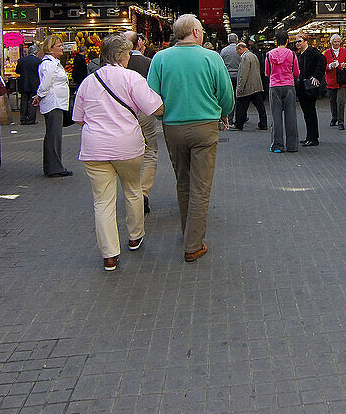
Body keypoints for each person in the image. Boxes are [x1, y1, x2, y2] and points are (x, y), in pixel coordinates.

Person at [146, 14, 234, 262]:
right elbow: (226, 94)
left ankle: (188, 231)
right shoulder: (211, 58)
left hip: (173, 128)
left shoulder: (160, 59)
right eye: (202, 29)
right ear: (195, 32)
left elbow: (151, 95)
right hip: (205, 127)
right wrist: (224, 114)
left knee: (183, 181)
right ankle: (193, 245)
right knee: (201, 185)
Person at [73, 34, 164, 272]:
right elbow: (154, 108)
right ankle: (135, 237)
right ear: (124, 56)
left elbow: (78, 118)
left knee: (102, 201)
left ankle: (110, 256)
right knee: (133, 189)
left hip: (94, 149)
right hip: (128, 147)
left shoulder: (88, 82)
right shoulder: (131, 77)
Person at [123, 30, 159, 215]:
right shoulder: (148, 63)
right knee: (150, 151)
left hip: (121, 115)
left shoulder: (111, 67)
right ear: (139, 44)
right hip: (144, 113)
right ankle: (143, 191)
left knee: (128, 153)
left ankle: (131, 192)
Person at [36, 35, 73, 178]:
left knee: (53, 135)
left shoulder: (54, 63)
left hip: (56, 103)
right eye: (59, 46)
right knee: (54, 136)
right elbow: (45, 83)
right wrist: (39, 96)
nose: (62, 48)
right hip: (54, 103)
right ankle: (54, 167)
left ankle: (52, 166)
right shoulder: (49, 64)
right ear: (51, 49)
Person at [264, 30, 299, 153]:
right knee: (291, 116)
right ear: (287, 41)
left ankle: (277, 145)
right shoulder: (292, 54)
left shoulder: (269, 55)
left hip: (274, 87)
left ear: (275, 41)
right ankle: (292, 146)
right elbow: (296, 72)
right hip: (289, 86)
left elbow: (267, 73)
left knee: (276, 116)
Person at [295, 33, 326, 147]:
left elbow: (322, 61)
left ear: (305, 41)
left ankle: (313, 138)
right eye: (296, 42)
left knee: (310, 112)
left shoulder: (313, 52)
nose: (297, 43)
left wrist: (317, 76)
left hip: (309, 87)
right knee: (307, 112)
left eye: (299, 41)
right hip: (303, 87)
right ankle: (310, 136)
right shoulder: (301, 54)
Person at [234, 42, 268, 131]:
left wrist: (240, 87)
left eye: (237, 51)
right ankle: (263, 123)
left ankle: (239, 124)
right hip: (257, 85)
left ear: (240, 48)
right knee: (260, 107)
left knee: (241, 105)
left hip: (248, 86)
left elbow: (244, 73)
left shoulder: (245, 57)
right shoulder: (253, 55)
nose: (237, 53)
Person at [324, 34, 346, 131]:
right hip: (331, 80)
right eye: (335, 42)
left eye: (338, 41)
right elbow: (324, 67)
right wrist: (330, 66)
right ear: (331, 42)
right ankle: (334, 117)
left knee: (340, 101)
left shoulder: (344, 51)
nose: (336, 43)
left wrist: (345, 65)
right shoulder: (326, 53)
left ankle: (341, 121)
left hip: (342, 80)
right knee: (332, 101)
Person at [15, 45, 41, 125]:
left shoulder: (21, 60)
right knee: (32, 102)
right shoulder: (38, 61)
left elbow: (17, 71)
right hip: (34, 85)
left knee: (23, 101)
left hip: (24, 84)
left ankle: (23, 118)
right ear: (36, 52)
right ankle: (31, 119)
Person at [219, 32, 240, 123]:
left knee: (230, 97)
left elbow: (220, 63)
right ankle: (241, 117)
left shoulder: (224, 51)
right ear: (237, 40)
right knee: (240, 97)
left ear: (228, 40)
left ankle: (230, 119)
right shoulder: (240, 50)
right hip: (239, 76)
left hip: (228, 76)